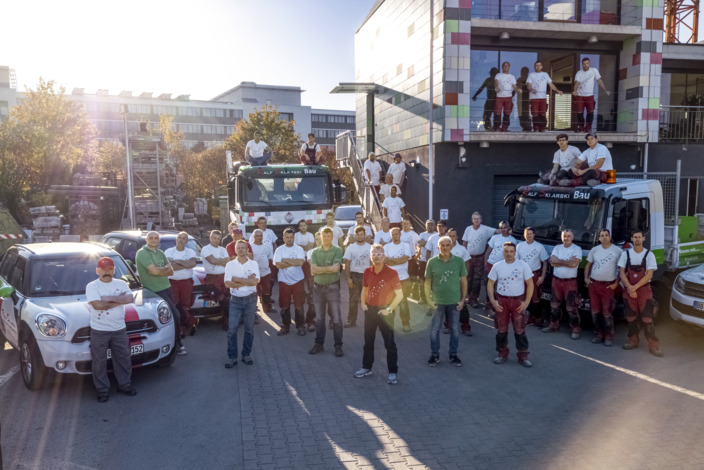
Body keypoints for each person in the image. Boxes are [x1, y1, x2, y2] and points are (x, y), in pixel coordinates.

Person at [86, 257, 137, 402]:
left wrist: (106, 298)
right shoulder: (92, 286)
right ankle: (102, 390)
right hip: (99, 330)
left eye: (110, 269)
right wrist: (118, 299)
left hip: (119, 329)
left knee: (123, 359)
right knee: (99, 362)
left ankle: (125, 385)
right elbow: (97, 306)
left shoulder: (121, 283)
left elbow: (129, 299)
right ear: (98, 271)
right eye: (104, 269)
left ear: (114, 270)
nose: (107, 272)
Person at [355, 245, 404, 385]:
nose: (376, 256)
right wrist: (363, 304)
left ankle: (392, 372)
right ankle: (366, 367)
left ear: (384, 256)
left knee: (390, 344)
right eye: (373, 254)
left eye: (379, 254)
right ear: (370, 257)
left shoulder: (392, 272)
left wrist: (388, 310)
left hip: (385, 312)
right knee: (368, 341)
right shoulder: (367, 271)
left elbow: (399, 295)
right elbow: (365, 290)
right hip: (370, 311)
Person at [135, 231, 185, 355]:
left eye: (156, 238)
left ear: (159, 240)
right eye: (151, 238)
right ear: (146, 240)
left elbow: (171, 271)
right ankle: (177, 344)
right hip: (154, 291)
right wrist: (163, 270)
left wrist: (160, 270)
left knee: (171, 317)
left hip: (166, 288)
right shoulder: (142, 253)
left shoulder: (160, 252)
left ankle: (171, 342)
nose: (153, 240)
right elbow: (154, 271)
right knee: (174, 315)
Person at [487, 242, 534, 367]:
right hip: (502, 301)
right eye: (506, 251)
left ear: (515, 252)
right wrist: (493, 301)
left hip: (518, 302)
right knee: (501, 329)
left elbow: (530, 284)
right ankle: (502, 353)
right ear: (503, 252)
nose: (509, 254)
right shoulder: (497, 266)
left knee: (520, 330)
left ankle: (523, 356)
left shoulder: (523, 265)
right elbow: (490, 283)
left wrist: (527, 302)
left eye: (511, 251)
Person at [618, 230, 663, 357]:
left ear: (643, 239)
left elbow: (649, 274)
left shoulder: (649, 255)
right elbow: (622, 273)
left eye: (639, 237)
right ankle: (633, 340)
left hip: (644, 291)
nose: (637, 239)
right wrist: (629, 287)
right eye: (635, 237)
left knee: (647, 318)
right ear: (632, 239)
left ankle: (653, 345)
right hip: (629, 290)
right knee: (630, 317)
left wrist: (634, 287)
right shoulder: (625, 254)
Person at [425, 236, 468, 367]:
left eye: (447, 245)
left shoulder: (459, 261)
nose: (444, 247)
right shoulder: (432, 262)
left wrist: (462, 300)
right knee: (435, 330)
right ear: (438, 248)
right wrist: (429, 301)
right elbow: (427, 283)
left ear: (451, 246)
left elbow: (464, 281)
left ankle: (453, 355)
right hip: (437, 302)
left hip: (454, 302)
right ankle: (434, 355)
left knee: (455, 329)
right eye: (442, 245)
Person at [308, 227, 345, 357]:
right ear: (321, 236)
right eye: (324, 236)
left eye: (329, 236)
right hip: (318, 288)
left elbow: (336, 269)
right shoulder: (315, 252)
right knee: (319, 319)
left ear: (332, 237)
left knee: (336, 318)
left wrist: (321, 269)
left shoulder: (338, 250)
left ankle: (338, 345)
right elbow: (313, 270)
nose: (326, 238)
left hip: (333, 288)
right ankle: (319, 344)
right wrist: (328, 269)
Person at [223, 240, 260, 368]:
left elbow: (254, 282)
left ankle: (246, 355)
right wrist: (247, 281)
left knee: (249, 330)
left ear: (247, 249)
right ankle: (232, 357)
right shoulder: (230, 265)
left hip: (250, 300)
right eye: (238, 248)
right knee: (232, 329)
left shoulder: (254, 264)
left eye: (243, 247)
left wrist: (237, 279)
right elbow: (228, 284)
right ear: (235, 250)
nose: (241, 250)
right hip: (235, 300)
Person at [585, 229, 622, 346]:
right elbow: (588, 265)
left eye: (606, 235)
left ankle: (609, 336)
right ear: (599, 238)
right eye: (602, 236)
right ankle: (598, 334)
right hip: (594, 285)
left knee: (607, 313)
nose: (604, 237)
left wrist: (616, 283)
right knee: (595, 311)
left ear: (610, 237)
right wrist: (586, 278)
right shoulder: (594, 250)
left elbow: (622, 269)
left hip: (608, 286)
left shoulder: (617, 251)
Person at [544, 229, 582, 338]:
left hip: (570, 282)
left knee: (571, 307)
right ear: (561, 237)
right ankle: (553, 325)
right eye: (564, 236)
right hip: (556, 281)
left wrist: (559, 261)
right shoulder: (557, 248)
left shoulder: (577, 249)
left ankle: (575, 329)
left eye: (569, 236)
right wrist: (566, 262)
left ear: (572, 237)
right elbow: (552, 262)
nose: (566, 238)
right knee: (554, 305)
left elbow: (573, 265)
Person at [273, 227, 307, 336]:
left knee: (299, 306)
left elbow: (301, 262)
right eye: (287, 237)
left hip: (297, 281)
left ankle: (300, 326)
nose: (289, 239)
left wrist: (285, 261)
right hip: (284, 281)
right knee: (285, 306)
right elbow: (278, 265)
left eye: (291, 237)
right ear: (283, 238)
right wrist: (294, 262)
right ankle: (285, 326)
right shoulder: (279, 250)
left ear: (294, 238)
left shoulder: (299, 249)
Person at [164, 232, 197, 337]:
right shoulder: (169, 251)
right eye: (179, 237)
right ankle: (189, 323)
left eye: (184, 238)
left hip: (186, 282)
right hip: (172, 282)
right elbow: (171, 266)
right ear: (176, 239)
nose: (181, 240)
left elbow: (192, 264)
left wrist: (177, 261)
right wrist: (185, 263)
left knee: (186, 305)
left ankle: (184, 326)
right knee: (175, 305)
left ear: (186, 241)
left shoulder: (190, 251)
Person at [462, 212, 496, 308]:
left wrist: (508, 230)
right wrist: (463, 254)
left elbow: (497, 230)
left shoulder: (486, 229)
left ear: (481, 220)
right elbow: (465, 242)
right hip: (468, 257)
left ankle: (474, 299)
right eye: (474, 218)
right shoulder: (468, 229)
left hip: (479, 257)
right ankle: (466, 296)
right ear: (472, 220)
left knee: (477, 279)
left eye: (478, 218)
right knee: (468, 277)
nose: (476, 220)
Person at [201, 230, 234, 330]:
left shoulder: (223, 250)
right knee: (224, 300)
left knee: (230, 299)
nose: (216, 240)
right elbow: (213, 261)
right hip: (212, 279)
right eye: (214, 238)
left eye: (218, 239)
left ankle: (227, 321)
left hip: (224, 277)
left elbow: (228, 262)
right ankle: (229, 322)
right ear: (210, 238)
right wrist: (221, 261)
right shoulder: (205, 249)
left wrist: (218, 261)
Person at [516, 227, 549, 327]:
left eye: (530, 233)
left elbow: (545, 262)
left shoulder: (539, 247)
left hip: (534, 274)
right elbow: (516, 262)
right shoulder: (519, 246)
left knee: (535, 297)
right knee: (523, 296)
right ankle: (527, 318)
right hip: (522, 275)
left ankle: (537, 318)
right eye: (527, 233)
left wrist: (542, 276)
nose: (529, 235)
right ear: (524, 235)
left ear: (534, 235)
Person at [384, 227, 414, 332]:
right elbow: (386, 262)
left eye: (396, 234)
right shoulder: (386, 246)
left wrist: (392, 260)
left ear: (400, 235)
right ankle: (389, 324)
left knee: (403, 302)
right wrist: (398, 260)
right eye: (393, 234)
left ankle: (406, 323)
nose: (395, 236)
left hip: (404, 279)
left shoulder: (405, 245)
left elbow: (405, 259)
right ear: (391, 236)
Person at [485, 222, 518, 312]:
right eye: (501, 228)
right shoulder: (495, 238)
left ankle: (498, 306)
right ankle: (489, 306)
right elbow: (488, 251)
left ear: (508, 228)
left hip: (503, 266)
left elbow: (514, 255)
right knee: (490, 285)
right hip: (491, 264)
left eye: (505, 227)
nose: (504, 229)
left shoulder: (513, 240)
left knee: (499, 287)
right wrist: (485, 262)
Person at [343, 226, 372, 328]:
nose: (360, 236)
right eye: (358, 235)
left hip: (367, 276)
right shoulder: (351, 247)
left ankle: (372, 322)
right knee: (353, 299)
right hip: (354, 276)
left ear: (364, 235)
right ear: (355, 236)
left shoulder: (370, 247)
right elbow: (347, 263)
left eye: (361, 234)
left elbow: (373, 263)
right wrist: (348, 278)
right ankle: (351, 320)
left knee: (369, 300)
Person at [573, 57, 610, 133]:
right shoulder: (579, 73)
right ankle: (581, 126)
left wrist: (605, 90)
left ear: (589, 63)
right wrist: (574, 91)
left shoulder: (594, 70)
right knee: (579, 112)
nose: (585, 65)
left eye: (587, 63)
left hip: (590, 95)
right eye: (584, 64)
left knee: (590, 112)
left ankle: (588, 127)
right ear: (582, 64)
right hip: (580, 95)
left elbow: (599, 81)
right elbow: (576, 83)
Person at [526, 60, 563, 132]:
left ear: (542, 66)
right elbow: (528, 85)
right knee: (535, 113)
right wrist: (531, 89)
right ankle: (536, 127)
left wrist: (557, 90)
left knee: (543, 113)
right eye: (536, 65)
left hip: (543, 97)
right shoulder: (531, 74)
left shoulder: (545, 74)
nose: (538, 67)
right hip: (534, 98)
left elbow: (551, 84)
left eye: (539, 65)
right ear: (534, 67)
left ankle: (542, 127)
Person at [448, 229, 472, 336]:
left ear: (457, 237)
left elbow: (467, 263)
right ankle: (448, 325)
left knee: (462, 305)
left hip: (458, 282)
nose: (452, 237)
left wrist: (464, 276)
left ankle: (465, 326)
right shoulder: (442, 248)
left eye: (454, 236)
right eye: (450, 235)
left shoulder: (462, 249)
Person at [295, 219, 317, 330]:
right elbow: (297, 248)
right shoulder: (295, 235)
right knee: (300, 280)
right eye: (301, 225)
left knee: (310, 280)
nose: (302, 227)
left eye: (304, 225)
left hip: (308, 259)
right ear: (299, 227)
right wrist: (304, 246)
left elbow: (310, 247)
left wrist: (301, 246)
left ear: (307, 226)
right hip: (299, 260)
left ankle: (310, 295)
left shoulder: (310, 235)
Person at [251, 229, 275, 315]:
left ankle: (267, 307)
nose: (259, 237)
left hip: (266, 272)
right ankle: (253, 310)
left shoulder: (267, 247)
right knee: (254, 292)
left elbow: (270, 259)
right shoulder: (250, 247)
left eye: (260, 236)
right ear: (253, 237)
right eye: (257, 236)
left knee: (266, 291)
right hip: (254, 274)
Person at [494, 61, 521, 132]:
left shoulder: (512, 77)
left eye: (507, 66)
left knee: (507, 113)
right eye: (504, 66)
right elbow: (496, 82)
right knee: (498, 112)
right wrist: (496, 87)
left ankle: (505, 128)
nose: (506, 67)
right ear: (502, 67)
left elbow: (514, 86)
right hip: (500, 97)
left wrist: (518, 90)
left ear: (509, 67)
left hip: (509, 97)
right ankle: (497, 127)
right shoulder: (498, 75)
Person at [417, 219, 436, 304]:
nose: (429, 226)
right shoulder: (422, 234)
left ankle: (433, 297)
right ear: (425, 226)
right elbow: (421, 243)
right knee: (422, 279)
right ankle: (422, 297)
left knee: (434, 280)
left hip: (434, 261)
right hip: (423, 260)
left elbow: (424, 244)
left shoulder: (436, 235)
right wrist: (430, 243)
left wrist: (426, 243)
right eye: (428, 224)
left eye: (431, 224)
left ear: (435, 226)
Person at [400, 217, 420, 300]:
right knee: (403, 278)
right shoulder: (399, 234)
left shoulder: (414, 234)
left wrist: (417, 256)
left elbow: (419, 246)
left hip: (412, 259)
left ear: (410, 225)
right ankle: (404, 295)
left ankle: (415, 295)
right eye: (404, 223)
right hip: (401, 260)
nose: (406, 225)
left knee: (413, 278)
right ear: (402, 225)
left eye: (407, 224)